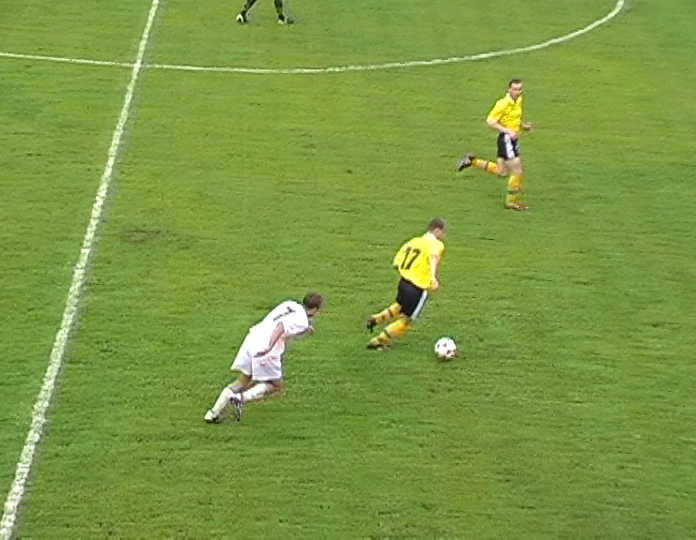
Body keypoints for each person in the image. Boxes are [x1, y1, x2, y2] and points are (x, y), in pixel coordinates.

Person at [204, 292, 323, 423]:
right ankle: (240, 398)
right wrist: (269, 346)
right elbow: (281, 326)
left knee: (243, 380)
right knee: (276, 385)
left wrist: (306, 326)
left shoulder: (290, 304)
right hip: (266, 349)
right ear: (315, 309)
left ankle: (213, 413)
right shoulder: (302, 322)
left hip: (253, 337)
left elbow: (282, 320)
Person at [366, 218, 446, 350]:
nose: (444, 236)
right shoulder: (436, 244)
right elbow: (433, 257)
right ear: (437, 230)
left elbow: (396, 262)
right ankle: (379, 341)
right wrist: (433, 277)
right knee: (407, 320)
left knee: (399, 305)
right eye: (443, 232)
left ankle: (376, 319)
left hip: (403, 282)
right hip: (417, 288)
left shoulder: (413, 241)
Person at [456, 79, 533, 211]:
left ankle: (472, 161)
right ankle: (512, 202)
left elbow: (513, 118)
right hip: (507, 140)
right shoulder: (502, 103)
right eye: (515, 89)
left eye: (520, 89)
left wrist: (522, 126)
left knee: (502, 172)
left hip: (510, 139)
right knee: (517, 171)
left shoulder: (518, 100)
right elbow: (490, 121)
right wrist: (508, 131)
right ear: (508, 89)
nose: (518, 92)